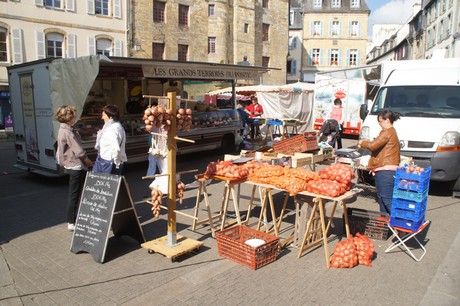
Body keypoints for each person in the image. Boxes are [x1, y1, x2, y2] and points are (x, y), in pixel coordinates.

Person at [55, 106, 93, 231]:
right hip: (75, 164)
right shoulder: (67, 131)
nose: (76, 117)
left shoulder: (64, 129)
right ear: (70, 117)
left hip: (70, 164)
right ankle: (71, 221)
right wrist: (87, 161)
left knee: (75, 193)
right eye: (74, 115)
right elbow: (78, 150)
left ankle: (74, 218)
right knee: (75, 194)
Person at [358, 109, 401, 215]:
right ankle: (385, 226)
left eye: (380, 121)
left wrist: (362, 142)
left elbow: (373, 145)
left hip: (386, 171)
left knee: (387, 201)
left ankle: (403, 225)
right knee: (382, 200)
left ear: (387, 121)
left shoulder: (387, 132)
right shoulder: (391, 132)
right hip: (386, 170)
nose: (379, 123)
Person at [93, 104, 127, 175]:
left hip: (108, 161)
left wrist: (117, 163)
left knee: (106, 183)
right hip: (106, 159)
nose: (102, 118)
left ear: (110, 117)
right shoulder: (115, 127)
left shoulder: (113, 129)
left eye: (104, 115)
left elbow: (116, 147)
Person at [146, 125, 169, 195]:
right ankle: (155, 183)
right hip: (160, 149)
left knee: (155, 164)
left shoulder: (155, 126)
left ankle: (151, 178)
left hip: (158, 148)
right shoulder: (156, 126)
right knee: (166, 169)